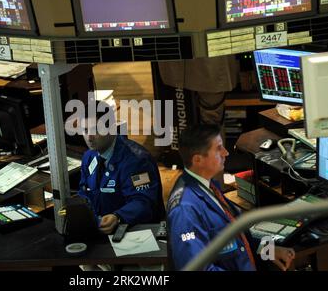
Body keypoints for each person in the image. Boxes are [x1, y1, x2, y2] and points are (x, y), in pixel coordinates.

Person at [167, 124, 295, 271]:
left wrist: (269, 251)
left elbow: (238, 236)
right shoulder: (184, 210)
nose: (226, 153)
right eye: (218, 148)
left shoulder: (209, 186)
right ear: (197, 160)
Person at [78, 102, 165, 235]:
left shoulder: (137, 160)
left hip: (134, 232)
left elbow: (144, 202)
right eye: (85, 130)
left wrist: (118, 217)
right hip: (100, 230)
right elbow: (84, 191)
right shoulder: (88, 157)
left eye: (96, 130)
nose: (89, 137)